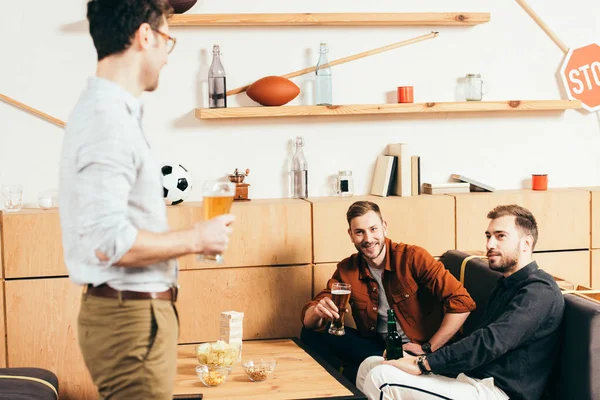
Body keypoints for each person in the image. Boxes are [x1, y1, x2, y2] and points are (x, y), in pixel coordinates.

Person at [59, 1, 235, 398]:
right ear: (144, 36)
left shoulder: (110, 112)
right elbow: (108, 241)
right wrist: (197, 239)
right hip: (131, 321)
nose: (168, 58)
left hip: (134, 318)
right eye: (167, 40)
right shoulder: (107, 119)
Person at [356, 204, 565, 400]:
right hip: (474, 378)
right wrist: (423, 354)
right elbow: (476, 338)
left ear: (526, 244)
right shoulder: (505, 284)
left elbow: (489, 342)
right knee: (370, 365)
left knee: (381, 378)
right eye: (488, 236)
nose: (489, 244)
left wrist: (423, 363)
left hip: (499, 392)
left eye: (500, 237)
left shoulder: (539, 292)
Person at [300, 201, 476, 383]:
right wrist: (317, 311)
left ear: (384, 227)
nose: (368, 238)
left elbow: (462, 302)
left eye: (373, 229)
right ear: (351, 235)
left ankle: (379, 372)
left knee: (371, 368)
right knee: (311, 333)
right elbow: (309, 320)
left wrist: (428, 349)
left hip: (418, 350)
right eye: (359, 232)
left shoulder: (413, 257)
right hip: (380, 348)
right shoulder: (348, 268)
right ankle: (346, 385)